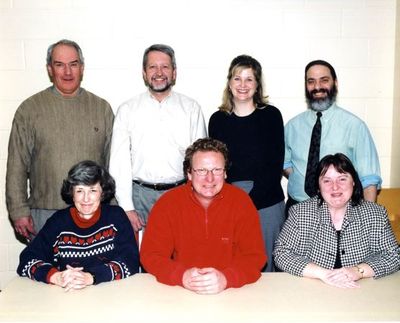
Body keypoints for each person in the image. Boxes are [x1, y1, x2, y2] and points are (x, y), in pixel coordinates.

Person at [6, 39, 114, 241]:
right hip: (45, 213)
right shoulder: (29, 110)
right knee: (48, 271)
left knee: (91, 272)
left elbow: (112, 165)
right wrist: (18, 211)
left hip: (94, 212)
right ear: (49, 69)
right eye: (59, 65)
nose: (67, 72)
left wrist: (113, 210)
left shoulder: (102, 109)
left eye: (73, 64)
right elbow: (17, 166)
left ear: (81, 68)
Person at [140, 138, 267, 294]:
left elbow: (255, 256)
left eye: (217, 170)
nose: (210, 178)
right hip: (180, 290)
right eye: (201, 171)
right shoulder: (168, 203)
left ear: (225, 173)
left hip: (231, 291)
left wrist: (227, 278)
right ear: (189, 174)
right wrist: (181, 276)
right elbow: (151, 255)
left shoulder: (241, 202)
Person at [109, 44, 206, 232]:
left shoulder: (191, 109)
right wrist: (127, 207)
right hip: (139, 198)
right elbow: (119, 162)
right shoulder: (127, 110)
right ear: (144, 73)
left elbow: (200, 161)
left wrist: (196, 201)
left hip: (180, 195)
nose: (159, 72)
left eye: (165, 67)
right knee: (142, 257)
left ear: (174, 72)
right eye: (152, 67)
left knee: (181, 256)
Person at [274, 153, 400, 288]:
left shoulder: (374, 214)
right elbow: (281, 253)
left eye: (342, 179)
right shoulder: (300, 213)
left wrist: (359, 271)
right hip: (313, 288)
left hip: (362, 289)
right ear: (318, 185)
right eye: (327, 180)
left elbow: (394, 256)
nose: (335, 187)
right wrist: (323, 274)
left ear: (353, 182)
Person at [208, 55, 285, 272]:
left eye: (249, 79)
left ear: (257, 84)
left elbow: (274, 164)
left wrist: (248, 202)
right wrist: (233, 202)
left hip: (267, 201)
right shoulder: (217, 120)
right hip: (228, 200)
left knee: (266, 264)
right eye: (237, 78)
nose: (243, 85)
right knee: (232, 264)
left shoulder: (271, 116)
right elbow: (216, 167)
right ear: (229, 83)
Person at [17, 161, 139, 290]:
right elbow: (27, 259)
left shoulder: (116, 217)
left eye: (93, 190)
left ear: (102, 193)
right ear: (72, 193)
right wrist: (55, 276)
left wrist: (91, 277)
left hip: (110, 292)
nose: (86, 199)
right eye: (80, 191)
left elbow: (130, 260)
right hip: (67, 293)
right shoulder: (58, 222)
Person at [284, 59, 381, 212]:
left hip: (340, 210)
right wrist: (303, 177)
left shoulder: (355, 126)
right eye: (311, 81)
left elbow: (369, 180)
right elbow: (286, 163)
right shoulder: (292, 126)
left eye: (324, 80)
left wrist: (368, 219)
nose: (317, 87)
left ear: (335, 83)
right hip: (297, 208)